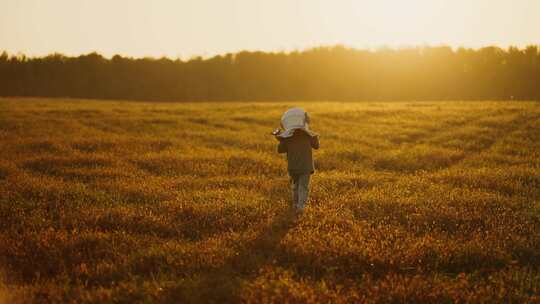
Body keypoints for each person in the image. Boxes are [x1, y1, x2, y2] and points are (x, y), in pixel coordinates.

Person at [274, 108, 320, 211]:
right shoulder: (308, 135)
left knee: (295, 187)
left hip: (293, 167)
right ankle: (300, 208)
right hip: (305, 167)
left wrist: (280, 138)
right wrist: (315, 136)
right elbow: (316, 146)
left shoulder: (288, 137)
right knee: (303, 187)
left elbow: (280, 150)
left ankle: (295, 206)